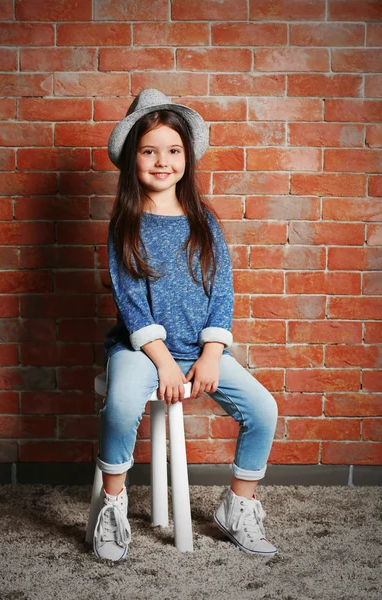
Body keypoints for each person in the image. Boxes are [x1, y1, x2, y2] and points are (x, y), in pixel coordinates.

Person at [93, 88, 278, 562]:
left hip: (199, 350)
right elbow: (131, 303)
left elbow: (224, 292)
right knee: (119, 405)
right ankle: (111, 507)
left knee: (263, 409)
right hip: (142, 351)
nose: (162, 161)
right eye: (149, 151)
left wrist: (212, 353)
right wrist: (163, 364)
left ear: (186, 157)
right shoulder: (126, 225)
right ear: (133, 159)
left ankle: (239, 506)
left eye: (173, 151)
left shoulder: (203, 221)